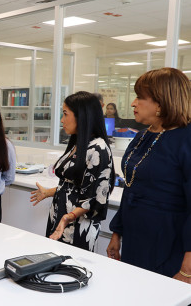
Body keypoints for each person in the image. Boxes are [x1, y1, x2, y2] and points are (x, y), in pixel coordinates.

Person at [107, 67, 191, 284]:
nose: (133, 104)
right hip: (137, 236)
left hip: (169, 241)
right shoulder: (143, 136)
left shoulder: (186, 139)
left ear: (161, 102)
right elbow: (131, 186)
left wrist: (188, 269)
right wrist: (117, 234)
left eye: (140, 97)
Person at [30, 91, 115, 252]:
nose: (62, 120)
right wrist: (48, 193)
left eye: (65, 114)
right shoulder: (79, 142)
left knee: (70, 268)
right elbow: (76, 184)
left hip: (76, 222)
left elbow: (94, 197)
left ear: (82, 116)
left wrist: (68, 217)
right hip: (61, 215)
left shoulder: (98, 148)